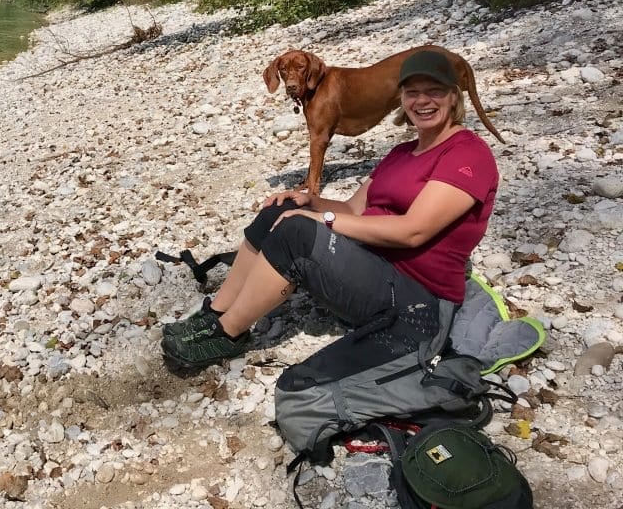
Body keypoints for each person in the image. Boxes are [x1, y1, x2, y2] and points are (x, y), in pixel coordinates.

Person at [161, 49, 499, 370]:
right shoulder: (402, 153)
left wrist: (322, 219)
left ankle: (228, 333)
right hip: (374, 267)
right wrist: (309, 201)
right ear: (401, 99)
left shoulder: (467, 154)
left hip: (416, 300)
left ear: (455, 96)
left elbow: (414, 231)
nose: (422, 101)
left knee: (298, 233)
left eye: (434, 91)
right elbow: (353, 207)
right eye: (412, 92)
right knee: (280, 212)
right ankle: (216, 312)